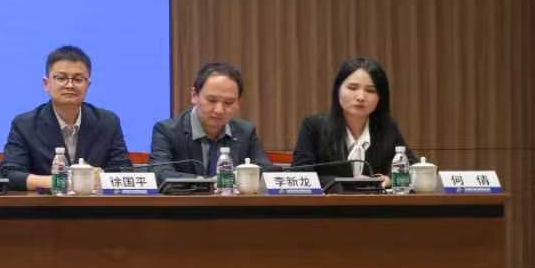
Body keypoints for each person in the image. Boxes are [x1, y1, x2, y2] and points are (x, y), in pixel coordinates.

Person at [0, 44, 132, 191]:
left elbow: (124, 172)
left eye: (78, 79)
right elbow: (9, 175)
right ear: (46, 83)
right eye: (61, 78)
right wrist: (58, 182)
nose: (69, 85)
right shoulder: (25, 124)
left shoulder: (107, 122)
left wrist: (100, 178)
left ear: (88, 85)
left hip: (94, 204)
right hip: (46, 203)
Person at [292, 56, 413, 187]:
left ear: (380, 97)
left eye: (370, 90)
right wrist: (346, 183)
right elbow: (300, 175)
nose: (361, 97)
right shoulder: (313, 127)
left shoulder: (387, 129)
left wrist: (390, 179)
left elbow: (412, 167)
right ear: (338, 90)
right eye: (352, 88)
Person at [148, 62, 275, 184]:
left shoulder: (246, 132)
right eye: (212, 100)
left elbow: (266, 171)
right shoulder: (166, 131)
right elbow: (160, 173)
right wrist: (207, 183)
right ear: (194, 95)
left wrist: (232, 179)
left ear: (238, 103)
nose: (219, 110)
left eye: (228, 103)